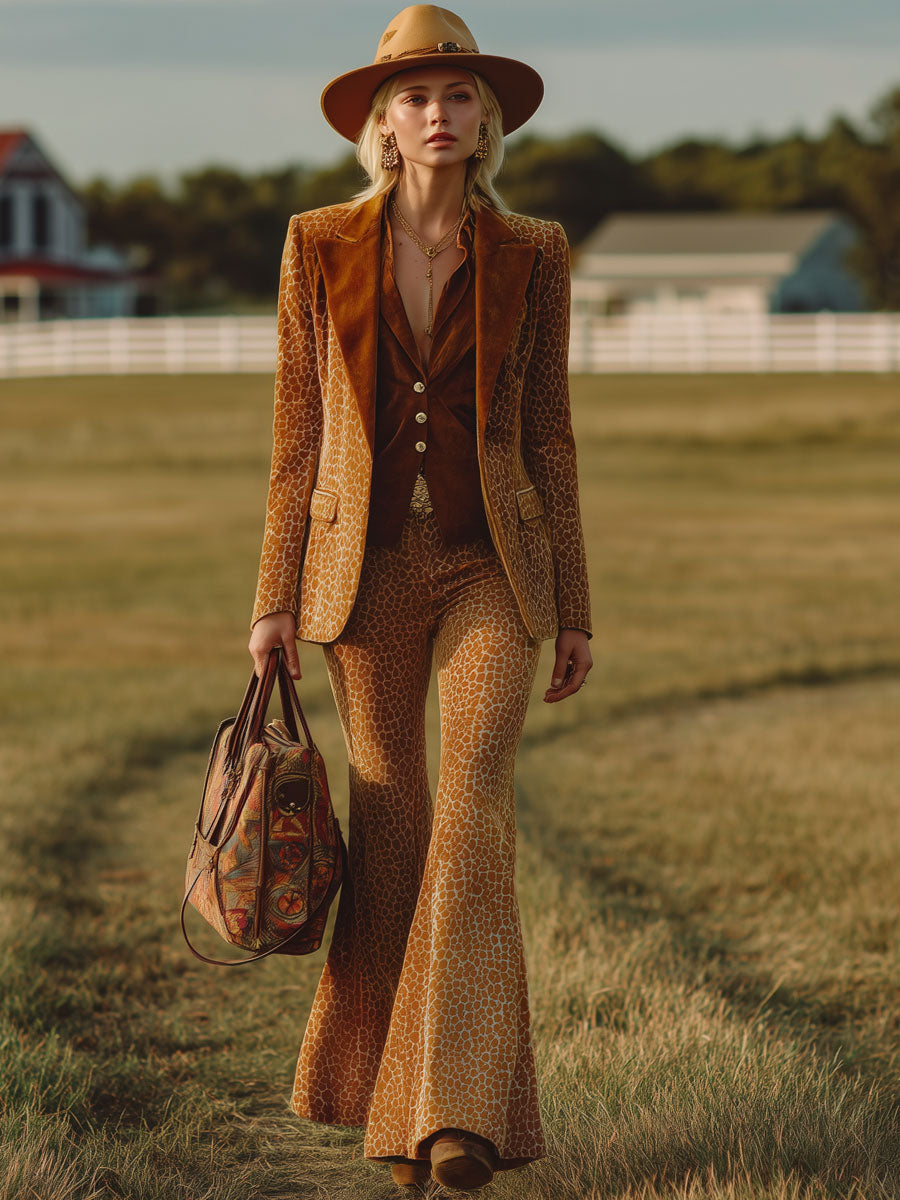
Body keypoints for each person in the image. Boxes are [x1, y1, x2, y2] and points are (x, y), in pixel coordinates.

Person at [247, 4, 593, 1191]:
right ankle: (385, 1103)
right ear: (383, 126)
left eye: (460, 97)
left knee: (475, 802)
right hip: (362, 570)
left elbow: (550, 435)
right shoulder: (313, 245)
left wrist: (578, 605)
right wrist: (272, 598)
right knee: (391, 828)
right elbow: (297, 443)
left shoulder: (534, 252)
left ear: (485, 122)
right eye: (416, 97)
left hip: (489, 565)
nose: (440, 115)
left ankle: (455, 1119)